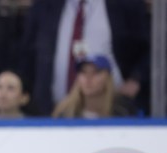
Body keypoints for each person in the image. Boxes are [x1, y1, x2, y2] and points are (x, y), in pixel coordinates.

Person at [19, 0, 149, 116]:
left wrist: (136, 80)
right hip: (51, 112)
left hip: (113, 112)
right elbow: (28, 55)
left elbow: (150, 48)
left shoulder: (126, 4)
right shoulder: (44, 5)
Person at [52, 53, 136, 118]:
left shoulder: (122, 111)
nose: (88, 78)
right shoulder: (65, 113)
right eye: (83, 72)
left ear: (108, 78)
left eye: (96, 72)